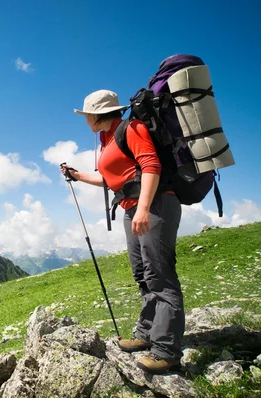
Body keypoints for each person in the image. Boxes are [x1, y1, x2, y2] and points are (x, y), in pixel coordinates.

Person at [61, 89, 185, 374]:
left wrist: (142, 209)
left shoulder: (132, 128)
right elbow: (109, 178)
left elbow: (151, 165)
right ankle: (146, 335)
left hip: (155, 205)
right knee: (142, 273)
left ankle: (167, 351)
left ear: (96, 114)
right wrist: (78, 176)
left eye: (86, 114)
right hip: (132, 208)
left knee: (160, 276)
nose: (84, 119)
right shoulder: (107, 138)